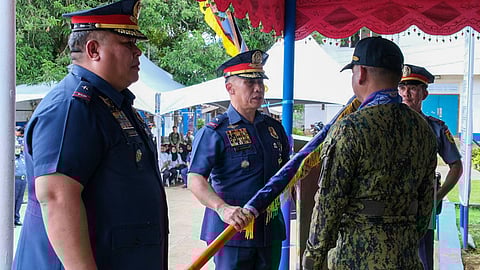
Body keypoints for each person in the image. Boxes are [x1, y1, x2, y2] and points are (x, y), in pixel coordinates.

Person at [12, 1, 169, 269]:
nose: (138, 51)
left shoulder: (110, 103)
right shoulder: (72, 108)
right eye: (127, 43)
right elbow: (57, 198)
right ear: (93, 50)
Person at [302, 37, 438, 269]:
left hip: (357, 256)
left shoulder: (350, 128)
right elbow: (426, 200)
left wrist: (313, 257)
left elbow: (329, 201)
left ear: (361, 73)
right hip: (405, 256)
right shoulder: (422, 128)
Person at [188, 50, 290, 269]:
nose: (258, 88)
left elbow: (287, 170)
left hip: (269, 231)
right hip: (231, 233)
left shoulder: (273, 128)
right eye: (249, 83)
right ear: (230, 88)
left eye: (261, 82)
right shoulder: (215, 131)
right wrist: (222, 208)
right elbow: (195, 178)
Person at [398, 64, 463, 270]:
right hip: (391, 205)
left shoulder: (436, 127)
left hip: (422, 205)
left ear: (424, 94)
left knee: (423, 259)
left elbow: (456, 166)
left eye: (413, 88)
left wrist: (438, 196)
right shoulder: (387, 124)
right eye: (402, 88)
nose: (407, 94)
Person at [14, 141, 27, 226]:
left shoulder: (22, 158)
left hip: (22, 181)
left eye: (19, 147)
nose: (18, 149)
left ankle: (17, 218)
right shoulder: (12, 159)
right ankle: (10, 219)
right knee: (13, 200)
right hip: (15, 181)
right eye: (16, 148)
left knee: (19, 200)